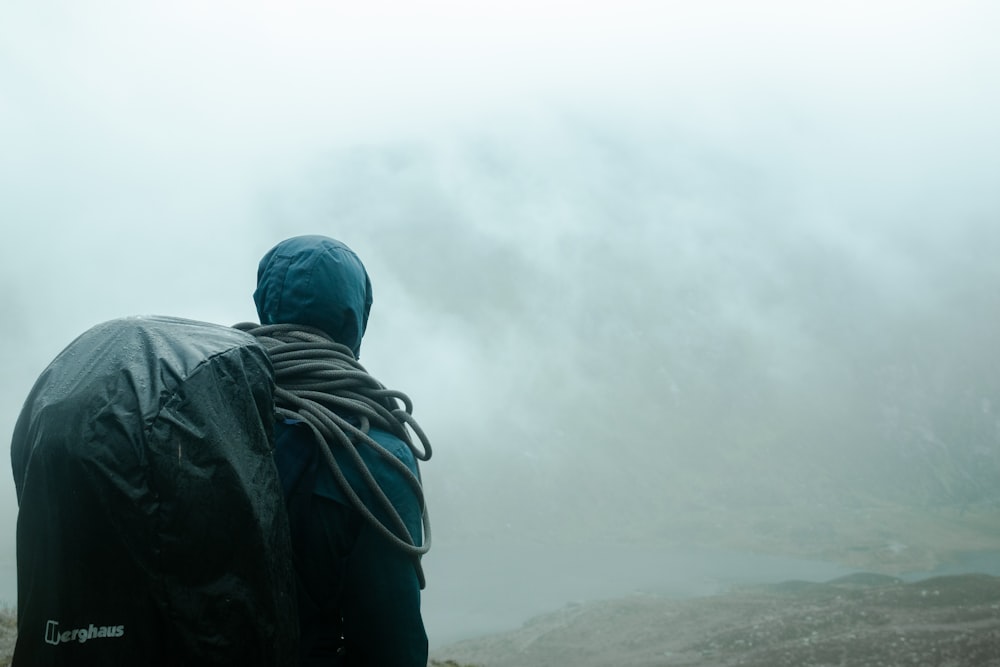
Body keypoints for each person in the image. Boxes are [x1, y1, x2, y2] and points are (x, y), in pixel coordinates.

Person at [237, 235, 432, 666]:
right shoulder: (374, 455)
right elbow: (390, 646)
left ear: (263, 303)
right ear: (354, 318)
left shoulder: (207, 411)